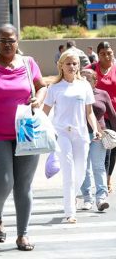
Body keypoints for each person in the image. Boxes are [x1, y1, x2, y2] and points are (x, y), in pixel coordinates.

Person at [0, 24, 47, 251]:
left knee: (23, 185)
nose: (7, 44)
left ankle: (22, 234)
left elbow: (41, 86)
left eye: (11, 40)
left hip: (26, 131)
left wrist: (39, 99)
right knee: (3, 182)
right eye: (3, 40)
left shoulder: (28, 63)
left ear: (18, 41)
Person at [43, 49, 100, 223]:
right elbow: (45, 111)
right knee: (68, 172)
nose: (72, 66)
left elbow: (89, 112)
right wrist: (40, 130)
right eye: (68, 63)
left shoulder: (84, 86)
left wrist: (95, 129)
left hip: (81, 134)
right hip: (62, 134)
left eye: (75, 63)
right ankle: (70, 211)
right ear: (61, 65)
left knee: (81, 172)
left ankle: (72, 197)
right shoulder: (54, 87)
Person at [79, 68, 115, 212]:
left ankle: (101, 199)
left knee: (98, 166)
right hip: (80, 135)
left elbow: (112, 115)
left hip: (98, 134)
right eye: (82, 78)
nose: (86, 81)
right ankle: (87, 198)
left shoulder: (103, 94)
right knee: (84, 168)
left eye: (89, 78)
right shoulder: (75, 94)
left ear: (95, 81)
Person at [85, 41, 116, 193]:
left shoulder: (115, 69)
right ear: (98, 55)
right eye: (103, 53)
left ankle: (108, 179)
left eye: (109, 53)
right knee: (103, 149)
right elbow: (79, 77)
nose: (106, 56)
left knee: (112, 148)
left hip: (113, 114)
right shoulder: (91, 69)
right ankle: (98, 183)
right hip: (97, 114)